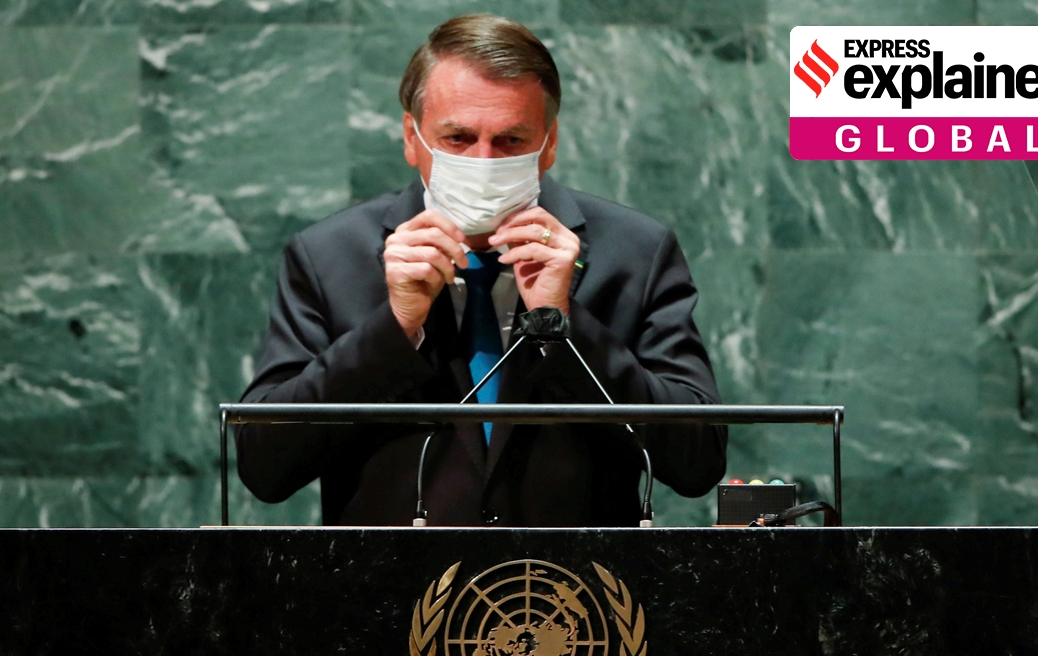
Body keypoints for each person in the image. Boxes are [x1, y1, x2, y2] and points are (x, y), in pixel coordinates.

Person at [235, 14, 727, 526]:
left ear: (549, 142)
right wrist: (395, 328)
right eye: (458, 138)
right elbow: (264, 468)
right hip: (388, 594)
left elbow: (697, 464)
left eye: (512, 140)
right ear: (412, 137)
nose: (484, 160)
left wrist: (565, 325)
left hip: (576, 595)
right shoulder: (327, 257)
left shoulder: (635, 252)